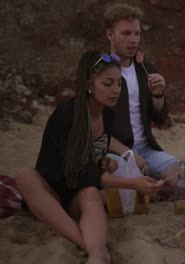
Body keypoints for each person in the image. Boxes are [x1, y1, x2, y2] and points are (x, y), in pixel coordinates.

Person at [15, 51, 164, 264]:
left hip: (78, 194)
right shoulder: (67, 114)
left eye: (119, 84)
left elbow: (90, 162)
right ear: (89, 84)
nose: (115, 90)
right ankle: (86, 244)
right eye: (108, 83)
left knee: (93, 193)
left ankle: (96, 256)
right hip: (51, 192)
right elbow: (74, 170)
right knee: (24, 175)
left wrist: (103, 160)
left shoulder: (108, 115)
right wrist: (133, 183)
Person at [103, 3, 185, 192]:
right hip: (115, 150)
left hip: (147, 147)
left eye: (137, 33)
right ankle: (151, 185)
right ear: (110, 34)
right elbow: (92, 128)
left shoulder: (145, 69)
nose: (133, 40)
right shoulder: (100, 71)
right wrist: (128, 154)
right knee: (128, 190)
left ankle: (155, 185)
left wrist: (158, 94)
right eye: (126, 34)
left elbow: (159, 118)